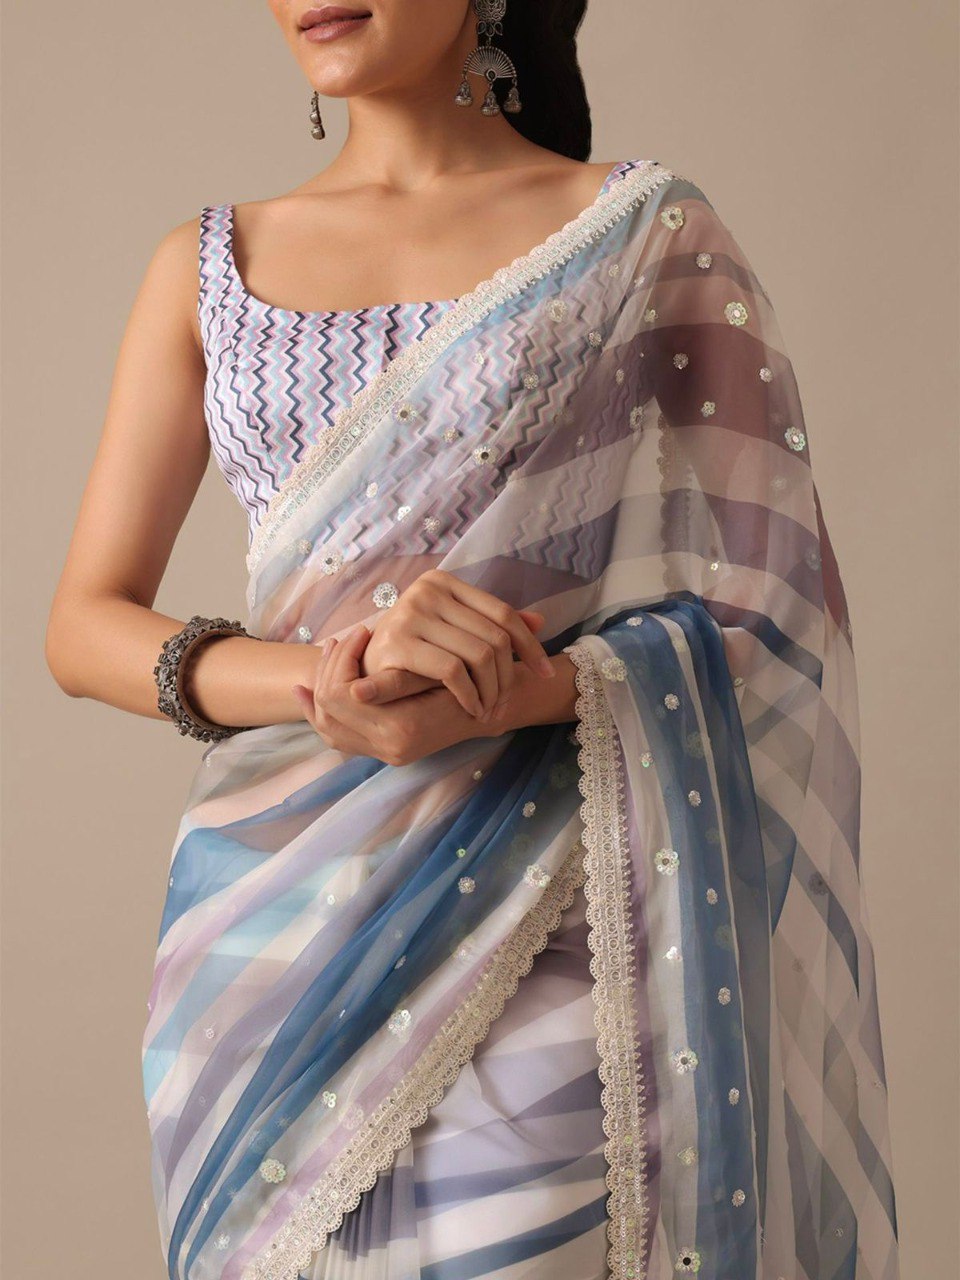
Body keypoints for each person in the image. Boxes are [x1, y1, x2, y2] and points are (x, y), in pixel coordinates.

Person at [45, 2, 901, 1278]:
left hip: (550, 908)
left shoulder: (642, 233)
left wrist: (532, 687)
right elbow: (85, 621)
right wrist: (323, 682)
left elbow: (777, 607)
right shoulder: (209, 261)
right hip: (262, 952)